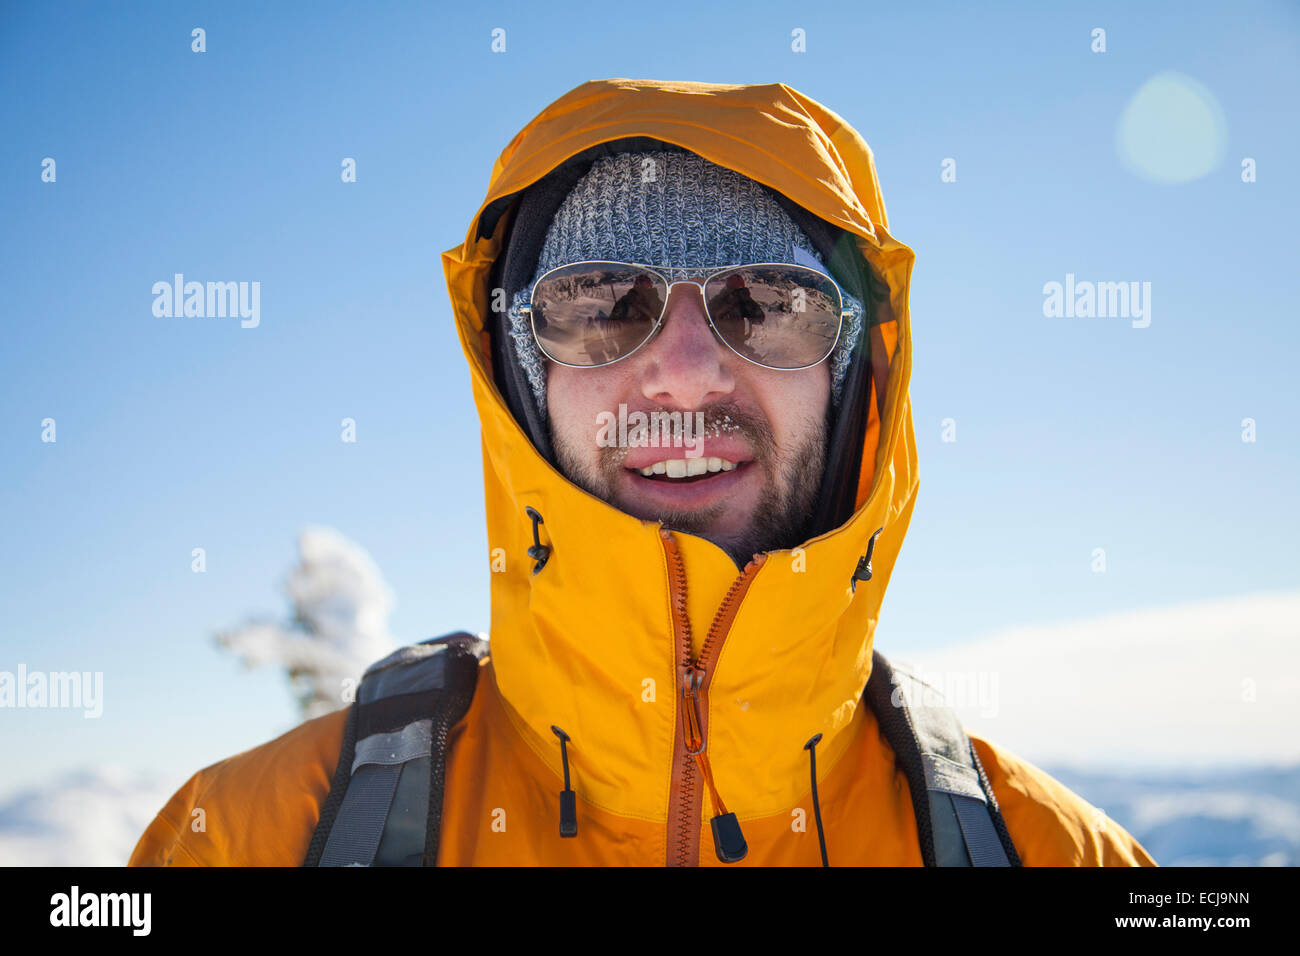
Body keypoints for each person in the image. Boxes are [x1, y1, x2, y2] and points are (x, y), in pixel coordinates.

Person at [129, 78, 1155, 866]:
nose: (683, 368)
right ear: (521, 385)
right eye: (597, 302)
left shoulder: (1051, 851)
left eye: (767, 300)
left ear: (853, 384)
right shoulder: (251, 835)